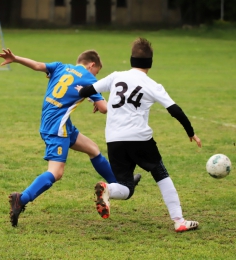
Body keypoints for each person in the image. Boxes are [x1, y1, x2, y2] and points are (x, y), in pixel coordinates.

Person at [76, 37, 202, 232]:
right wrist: (191, 132)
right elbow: (175, 110)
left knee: (126, 187)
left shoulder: (116, 76)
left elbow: (86, 90)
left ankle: (107, 189)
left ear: (131, 60)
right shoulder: (152, 85)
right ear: (150, 63)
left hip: (114, 139)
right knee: (161, 174)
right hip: (139, 138)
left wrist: (86, 94)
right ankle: (179, 220)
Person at [0, 48, 122, 227]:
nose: (97, 76)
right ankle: (21, 199)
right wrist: (98, 100)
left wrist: (15, 58)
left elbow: (38, 65)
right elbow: (104, 108)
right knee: (56, 172)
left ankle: (118, 185)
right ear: (92, 65)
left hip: (56, 123)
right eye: (97, 72)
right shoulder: (89, 79)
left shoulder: (61, 67)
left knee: (93, 149)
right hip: (58, 128)